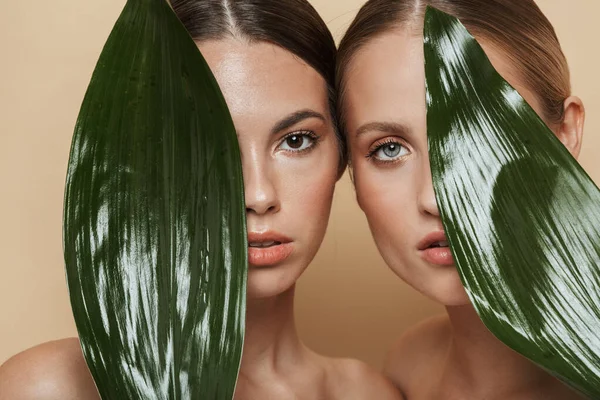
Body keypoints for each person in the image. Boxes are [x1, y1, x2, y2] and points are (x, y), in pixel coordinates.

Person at [0, 1, 401, 399]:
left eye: (296, 141)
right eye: (210, 144)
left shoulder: (368, 393)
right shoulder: (54, 388)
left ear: (342, 154)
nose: (259, 196)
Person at [336, 0, 587, 398]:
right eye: (388, 149)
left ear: (564, 135)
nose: (435, 198)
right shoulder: (410, 365)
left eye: (480, 134)